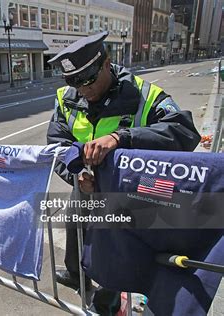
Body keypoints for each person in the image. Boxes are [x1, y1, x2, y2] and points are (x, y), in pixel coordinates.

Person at [45, 31, 201, 301]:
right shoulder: (65, 98)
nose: (83, 89)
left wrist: (122, 138)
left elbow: (184, 132)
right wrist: (77, 172)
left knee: (116, 250)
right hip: (86, 186)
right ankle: (76, 274)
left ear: (106, 63)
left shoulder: (144, 94)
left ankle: (108, 301)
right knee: (74, 226)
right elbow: (57, 143)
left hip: (129, 190)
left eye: (89, 80)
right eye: (74, 82)